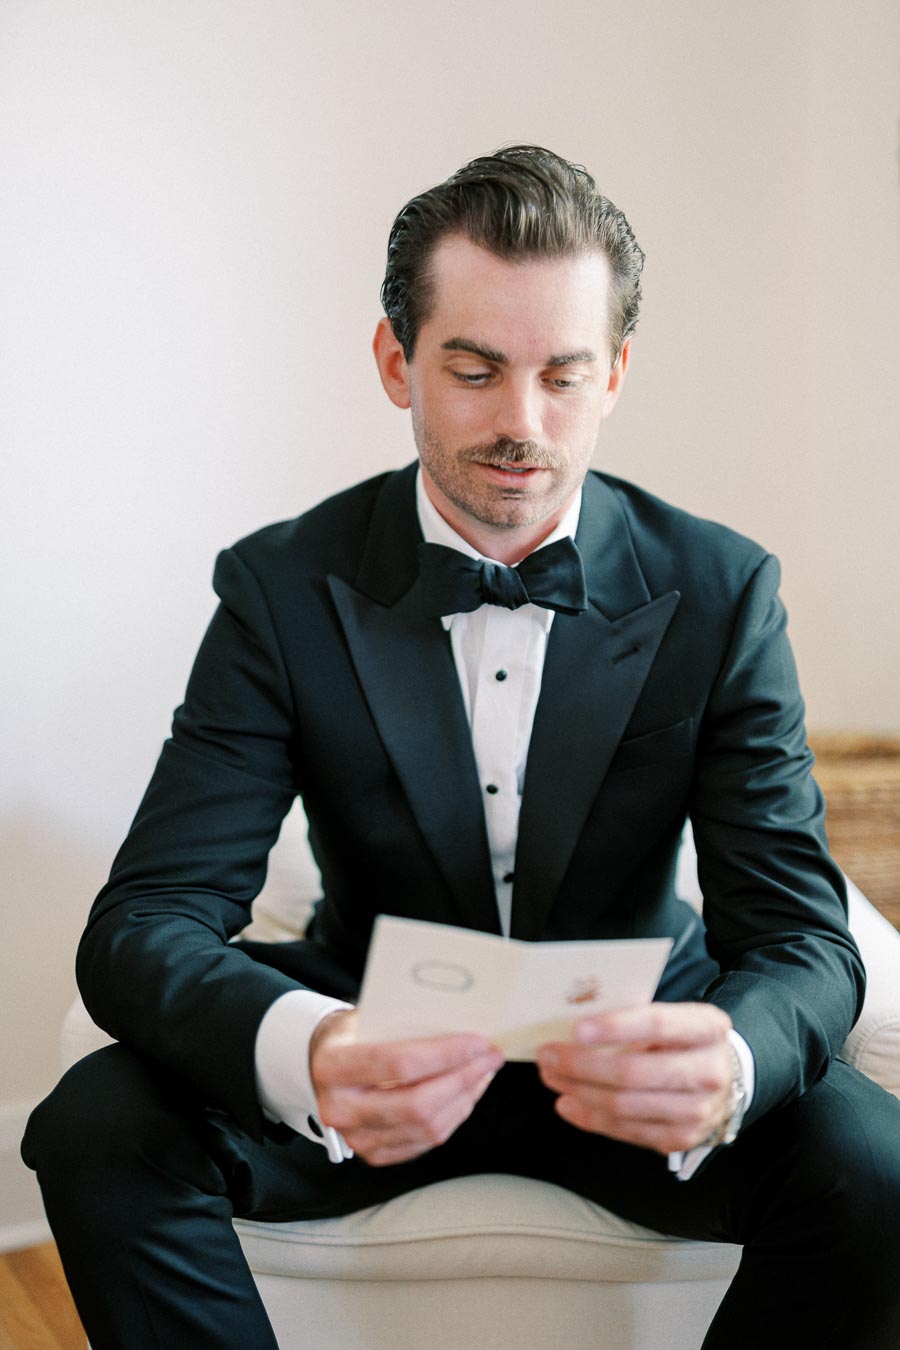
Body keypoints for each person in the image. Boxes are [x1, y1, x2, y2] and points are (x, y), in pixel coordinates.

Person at [23, 145, 900, 1348]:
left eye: (564, 376)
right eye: (476, 371)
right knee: (93, 1126)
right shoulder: (282, 586)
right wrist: (310, 1047)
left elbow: (802, 932)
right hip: (369, 1048)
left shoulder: (723, 589)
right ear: (397, 362)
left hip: (630, 1055)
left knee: (877, 1159)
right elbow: (142, 925)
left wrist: (734, 1060)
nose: (522, 425)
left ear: (618, 374)